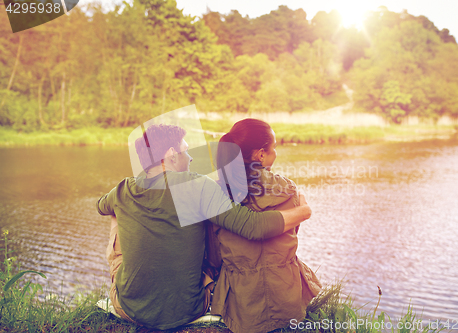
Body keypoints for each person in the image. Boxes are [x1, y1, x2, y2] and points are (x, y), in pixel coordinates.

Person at [96, 123, 312, 330]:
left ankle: (135, 288)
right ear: (171, 155)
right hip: (189, 309)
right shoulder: (197, 186)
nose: (190, 158)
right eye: (186, 151)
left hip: (129, 308)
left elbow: (100, 206)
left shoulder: (123, 189)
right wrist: (303, 212)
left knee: (115, 213)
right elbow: (253, 227)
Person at [209, 118, 322, 333]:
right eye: (275, 147)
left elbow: (214, 252)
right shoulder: (289, 189)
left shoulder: (217, 192)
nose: (276, 152)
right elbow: (293, 233)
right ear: (261, 154)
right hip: (287, 299)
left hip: (243, 304)